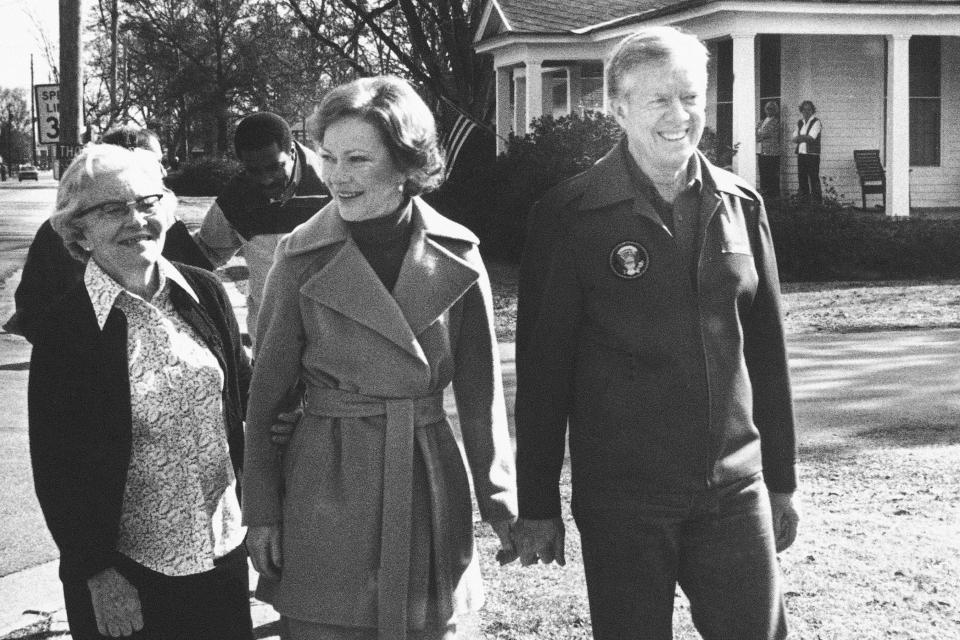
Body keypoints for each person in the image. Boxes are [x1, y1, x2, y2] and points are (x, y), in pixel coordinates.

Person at [513, 26, 799, 640]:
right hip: (623, 500)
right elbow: (544, 374)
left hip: (732, 488)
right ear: (617, 108)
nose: (681, 116)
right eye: (659, 101)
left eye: (692, 97)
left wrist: (783, 480)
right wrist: (537, 502)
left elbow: (769, 357)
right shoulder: (569, 215)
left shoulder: (740, 206)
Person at [242, 75, 517, 640]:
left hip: (424, 469)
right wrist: (263, 510)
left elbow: (481, 391)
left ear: (405, 166)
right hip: (326, 480)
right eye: (328, 157)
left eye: (358, 159)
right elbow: (265, 399)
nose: (337, 177)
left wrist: (499, 499)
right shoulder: (299, 256)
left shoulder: (460, 253)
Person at [28, 144, 253, 639]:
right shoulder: (67, 328)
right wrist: (96, 572)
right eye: (112, 208)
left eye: (147, 202)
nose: (136, 220)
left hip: (222, 553)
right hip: (129, 572)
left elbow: (246, 397)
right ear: (78, 231)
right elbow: (56, 466)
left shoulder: (205, 292)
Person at [4, 125, 212, 344]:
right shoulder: (62, 230)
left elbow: (200, 290)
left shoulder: (162, 222)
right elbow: (33, 308)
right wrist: (74, 348)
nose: (163, 172)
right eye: (155, 162)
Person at [194, 112, 329, 351]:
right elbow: (203, 254)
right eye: (253, 170)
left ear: (293, 152)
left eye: (274, 167)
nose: (266, 179)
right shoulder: (236, 197)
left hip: (332, 340)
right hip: (271, 341)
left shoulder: (332, 184)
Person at [791, 100, 822, 204]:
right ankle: (804, 203)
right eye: (804, 109)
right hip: (801, 154)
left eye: (809, 109)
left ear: (813, 110)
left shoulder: (816, 122)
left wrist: (800, 137)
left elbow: (811, 138)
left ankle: (817, 204)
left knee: (814, 179)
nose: (806, 111)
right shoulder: (800, 122)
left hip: (812, 155)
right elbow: (793, 139)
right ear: (801, 110)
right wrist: (803, 137)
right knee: (802, 179)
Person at [756, 100, 782, 201]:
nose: (769, 110)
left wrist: (759, 134)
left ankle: (774, 200)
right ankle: (765, 199)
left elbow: (765, 134)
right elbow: (756, 134)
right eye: (767, 108)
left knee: (772, 178)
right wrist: (759, 134)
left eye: (772, 108)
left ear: (775, 110)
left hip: (772, 153)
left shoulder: (777, 122)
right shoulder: (761, 121)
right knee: (763, 176)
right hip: (761, 152)